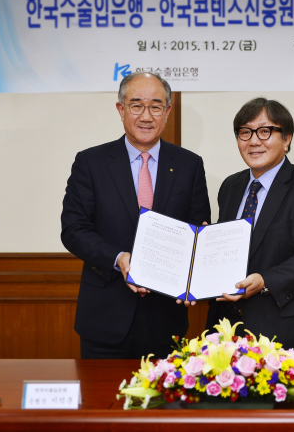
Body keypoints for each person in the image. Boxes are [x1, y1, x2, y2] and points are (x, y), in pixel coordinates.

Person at [61, 71, 211, 359]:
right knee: (101, 401)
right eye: (136, 105)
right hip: (105, 317)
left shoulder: (189, 165)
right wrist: (119, 258)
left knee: (163, 404)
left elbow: (197, 228)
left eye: (155, 106)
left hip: (167, 318)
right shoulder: (91, 162)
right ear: (121, 109)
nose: (146, 116)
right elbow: (74, 229)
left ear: (167, 112)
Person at [204, 97, 294, 355]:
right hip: (228, 331)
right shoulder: (230, 187)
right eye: (245, 132)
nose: (254, 141)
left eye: (265, 131)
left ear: (287, 139)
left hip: (286, 331)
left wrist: (265, 280)